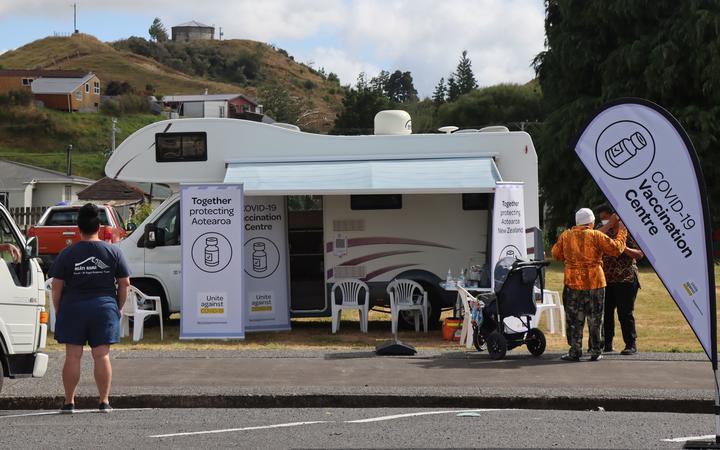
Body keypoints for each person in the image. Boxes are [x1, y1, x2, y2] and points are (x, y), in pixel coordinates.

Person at [50, 203, 130, 413]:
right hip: (103, 308)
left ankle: (69, 402)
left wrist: (59, 310)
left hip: (73, 307)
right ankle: (104, 401)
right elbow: (125, 284)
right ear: (100, 227)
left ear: (79, 228)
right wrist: (117, 307)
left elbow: (56, 287)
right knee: (101, 355)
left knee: (73, 356)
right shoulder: (114, 252)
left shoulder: (67, 253)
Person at [551, 208, 627, 362]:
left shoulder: (566, 236)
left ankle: (575, 350)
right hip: (595, 282)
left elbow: (556, 255)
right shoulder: (596, 235)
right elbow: (616, 249)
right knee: (595, 318)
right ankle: (595, 350)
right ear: (591, 222)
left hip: (572, 283)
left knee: (574, 319)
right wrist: (622, 231)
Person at [597, 205, 643, 355]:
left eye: (605, 218)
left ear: (614, 215)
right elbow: (593, 237)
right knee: (606, 312)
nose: (602, 221)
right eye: (601, 219)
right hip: (606, 279)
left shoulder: (627, 229)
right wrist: (608, 225)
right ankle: (607, 343)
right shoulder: (602, 229)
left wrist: (623, 248)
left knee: (625, 313)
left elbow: (640, 254)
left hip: (626, 278)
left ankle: (630, 344)